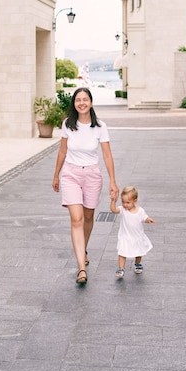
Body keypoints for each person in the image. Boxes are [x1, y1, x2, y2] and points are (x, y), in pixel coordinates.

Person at [52, 87, 119, 285]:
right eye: (78, 100)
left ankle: (83, 249)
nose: (81, 103)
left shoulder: (100, 126)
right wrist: (56, 175)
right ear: (74, 103)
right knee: (77, 218)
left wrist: (113, 181)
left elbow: (107, 155)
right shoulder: (67, 124)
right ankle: (81, 268)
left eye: (85, 99)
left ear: (90, 102)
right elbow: (62, 152)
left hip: (92, 175)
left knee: (88, 216)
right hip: (70, 174)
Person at [110, 185, 155, 278]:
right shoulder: (123, 210)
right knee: (122, 252)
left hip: (137, 236)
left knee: (139, 252)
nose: (125, 204)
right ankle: (121, 268)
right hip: (125, 236)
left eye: (128, 202)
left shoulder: (140, 211)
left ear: (135, 201)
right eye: (123, 202)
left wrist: (148, 219)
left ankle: (138, 264)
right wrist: (113, 201)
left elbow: (144, 217)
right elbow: (114, 210)